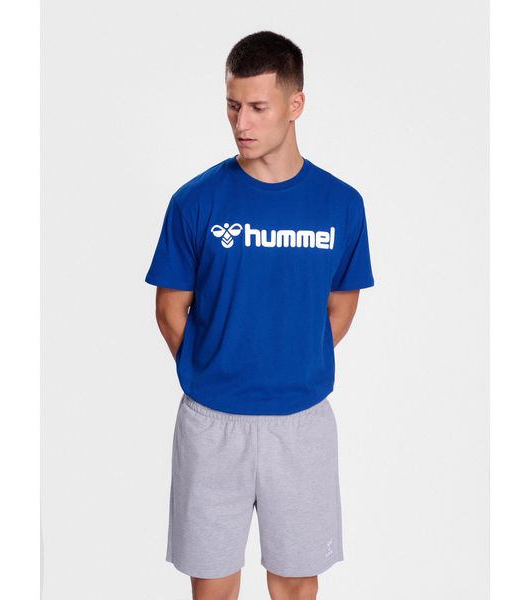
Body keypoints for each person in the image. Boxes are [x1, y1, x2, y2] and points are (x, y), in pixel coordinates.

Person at [145, 30, 375, 600]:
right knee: (213, 585)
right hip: (210, 423)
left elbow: (342, 304)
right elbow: (170, 310)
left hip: (301, 423)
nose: (240, 123)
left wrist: (290, 359)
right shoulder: (195, 201)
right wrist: (217, 366)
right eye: (232, 106)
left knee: (295, 582)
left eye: (256, 107)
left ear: (295, 104)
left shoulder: (341, 204)